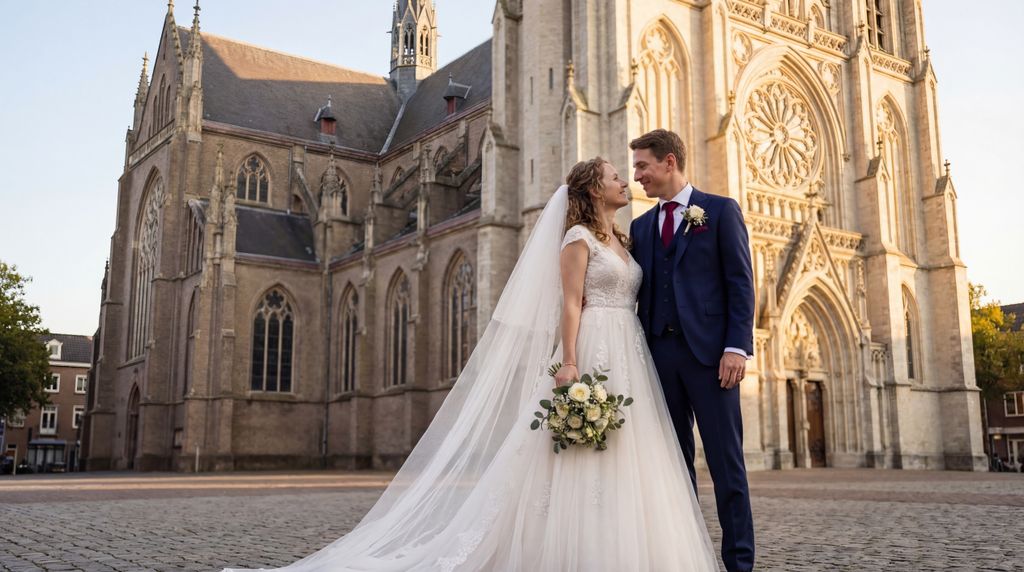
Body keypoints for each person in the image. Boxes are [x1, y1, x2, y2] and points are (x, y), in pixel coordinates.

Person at [223, 157, 717, 571]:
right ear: (592, 189)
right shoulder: (576, 240)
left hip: (630, 351)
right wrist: (569, 362)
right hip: (591, 348)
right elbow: (571, 304)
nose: (625, 181)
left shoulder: (626, 241)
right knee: (577, 452)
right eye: (614, 175)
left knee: (630, 453)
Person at [628, 129, 756, 572]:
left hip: (712, 359)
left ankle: (739, 563)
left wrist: (737, 347)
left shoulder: (719, 211)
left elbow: (740, 283)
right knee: (674, 467)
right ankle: (688, 558)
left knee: (727, 467)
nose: (637, 175)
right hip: (659, 360)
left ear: (669, 162)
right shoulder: (640, 227)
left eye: (643, 165)